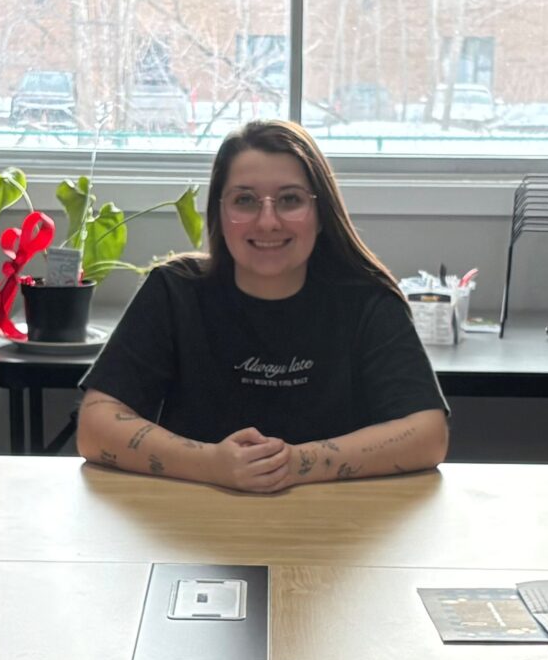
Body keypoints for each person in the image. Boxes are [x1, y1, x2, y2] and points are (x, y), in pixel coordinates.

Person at [76, 119, 448, 492]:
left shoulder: (367, 300)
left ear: (321, 215)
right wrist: (211, 464)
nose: (268, 221)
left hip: (335, 529)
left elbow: (429, 434)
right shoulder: (175, 291)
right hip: (193, 523)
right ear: (220, 213)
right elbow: (95, 426)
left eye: (290, 200)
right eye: (245, 200)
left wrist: (296, 464)